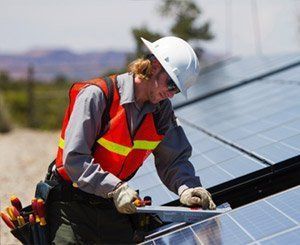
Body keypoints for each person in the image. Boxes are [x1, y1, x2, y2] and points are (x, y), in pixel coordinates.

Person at [46, 36, 216, 244]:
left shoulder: (161, 112)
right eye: (171, 84)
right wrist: (115, 188)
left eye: (177, 90)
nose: (171, 95)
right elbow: (74, 159)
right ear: (153, 67)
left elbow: (174, 160)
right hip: (71, 204)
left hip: (110, 206)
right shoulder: (97, 96)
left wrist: (188, 188)